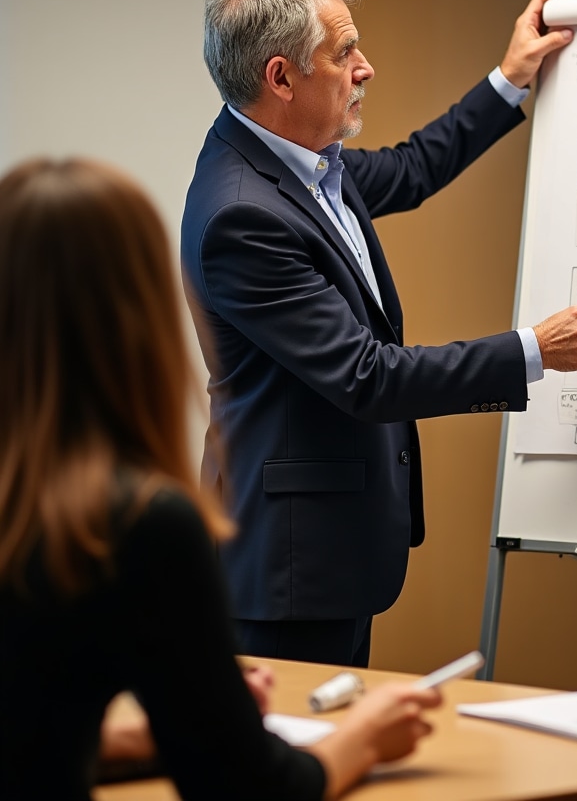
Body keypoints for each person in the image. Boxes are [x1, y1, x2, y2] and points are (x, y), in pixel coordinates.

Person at [181, 0, 577, 667]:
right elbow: (367, 378)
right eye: (344, 52)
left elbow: (415, 168)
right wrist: (534, 350)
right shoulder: (242, 214)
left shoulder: (309, 158)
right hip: (288, 573)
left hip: (327, 554)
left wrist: (510, 79)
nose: (366, 68)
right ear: (281, 78)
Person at [0, 158, 441, 801]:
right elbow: (246, 786)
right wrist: (365, 735)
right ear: (139, 310)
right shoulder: (132, 524)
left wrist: (150, 735)